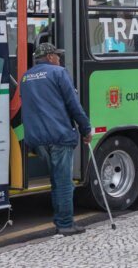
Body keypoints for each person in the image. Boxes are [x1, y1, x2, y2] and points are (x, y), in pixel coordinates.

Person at [20, 42, 92, 236]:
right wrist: (86, 129)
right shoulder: (58, 73)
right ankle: (65, 224)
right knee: (64, 183)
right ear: (50, 57)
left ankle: (61, 220)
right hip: (59, 135)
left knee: (55, 180)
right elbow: (73, 104)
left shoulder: (25, 77)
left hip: (37, 139)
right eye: (58, 56)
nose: (60, 59)